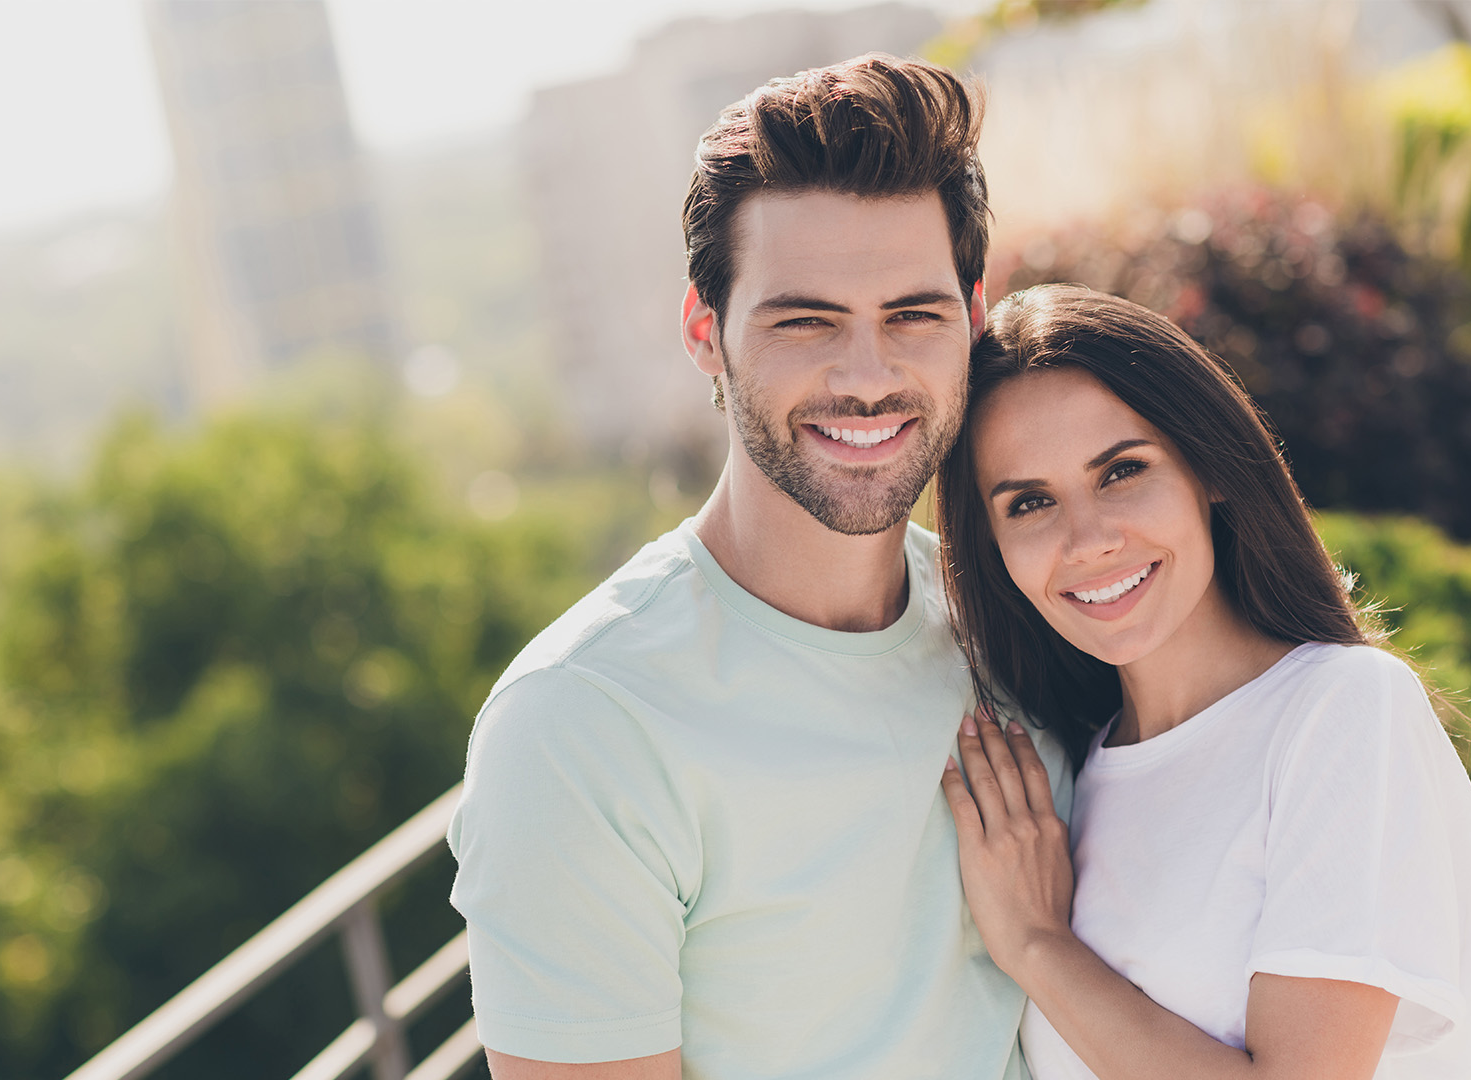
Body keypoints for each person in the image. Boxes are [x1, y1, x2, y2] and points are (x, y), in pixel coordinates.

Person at [446, 55, 1070, 1080]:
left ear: (972, 315)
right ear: (708, 332)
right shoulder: (583, 726)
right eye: (804, 321)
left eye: (911, 315)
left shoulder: (1024, 620)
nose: (867, 378)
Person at [934, 284, 1471, 1079]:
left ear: (1208, 467)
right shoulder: (1071, 776)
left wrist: (1038, 946)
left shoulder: (1344, 709)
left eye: (1121, 472)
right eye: (1030, 502)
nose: (1088, 541)